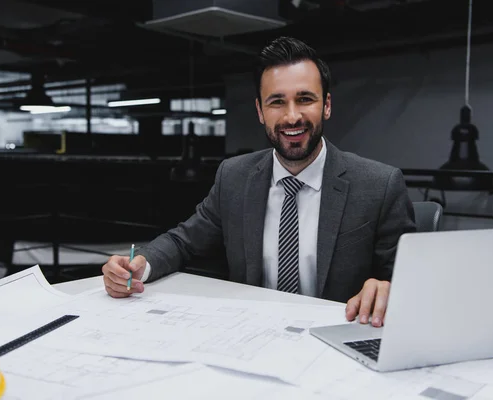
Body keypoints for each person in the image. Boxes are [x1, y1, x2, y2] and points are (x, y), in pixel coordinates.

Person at [102, 36, 416, 328]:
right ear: (260, 111)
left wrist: (392, 287)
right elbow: (184, 241)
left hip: (335, 341)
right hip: (253, 335)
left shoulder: (379, 185)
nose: (292, 116)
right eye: (277, 102)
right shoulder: (234, 177)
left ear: (327, 105)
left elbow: (411, 281)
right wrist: (140, 264)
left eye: (305, 99)